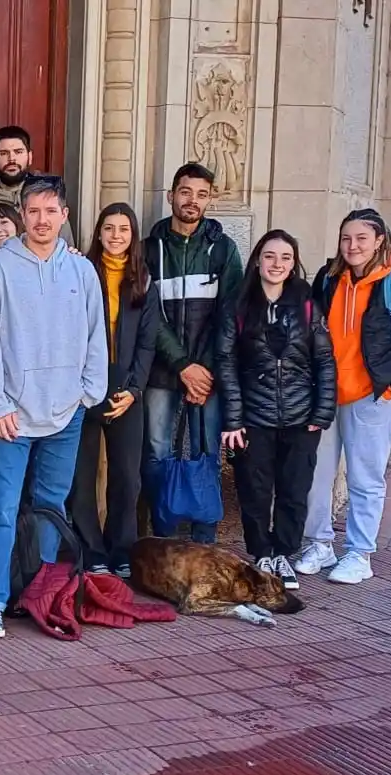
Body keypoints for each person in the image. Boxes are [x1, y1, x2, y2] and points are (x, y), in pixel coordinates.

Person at [0, 175, 107, 639]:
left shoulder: (80, 270)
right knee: (1, 509)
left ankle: (39, 593)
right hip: (10, 415)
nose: (42, 219)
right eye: (34, 211)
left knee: (52, 506)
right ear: (22, 215)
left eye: (51, 211)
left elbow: (96, 335)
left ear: (64, 216)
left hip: (65, 411)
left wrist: (87, 393)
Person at [299, 209, 391, 584]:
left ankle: (359, 553)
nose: (353, 245)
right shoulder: (328, 279)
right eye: (346, 238)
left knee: (365, 478)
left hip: (373, 398)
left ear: (378, 241)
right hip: (326, 396)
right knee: (317, 475)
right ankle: (320, 544)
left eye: (361, 238)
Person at [217, 230, 336, 591]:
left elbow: (325, 359)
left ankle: (284, 551)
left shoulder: (307, 304)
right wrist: (233, 419)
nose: (277, 264)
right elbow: (226, 363)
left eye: (285, 258)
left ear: (294, 263)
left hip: (301, 418)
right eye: (270, 256)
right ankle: (262, 553)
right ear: (257, 260)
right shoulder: (238, 306)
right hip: (254, 417)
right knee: (255, 490)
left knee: (294, 490)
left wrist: (322, 411)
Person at [141, 162, 243, 543]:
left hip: (209, 372)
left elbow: (229, 316)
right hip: (163, 371)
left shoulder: (223, 250)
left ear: (210, 199)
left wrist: (204, 369)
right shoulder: (150, 250)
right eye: (185, 192)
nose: (192, 201)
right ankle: (162, 534)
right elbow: (150, 316)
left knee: (206, 453)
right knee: (155, 451)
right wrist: (183, 365)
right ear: (171, 196)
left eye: (201, 194)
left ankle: (205, 538)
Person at [66, 203, 160, 578]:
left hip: (126, 388)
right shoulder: (80, 271)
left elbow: (148, 342)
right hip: (84, 386)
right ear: (98, 232)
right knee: (82, 475)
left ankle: (122, 548)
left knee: (126, 475)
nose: (116, 235)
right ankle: (91, 551)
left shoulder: (144, 280)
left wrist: (135, 389)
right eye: (109, 228)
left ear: (133, 235)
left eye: (124, 229)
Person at [0, 125, 75, 244]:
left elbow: (67, 249)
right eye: (3, 153)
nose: (11, 159)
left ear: (30, 157)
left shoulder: (49, 198)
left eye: (18, 152)